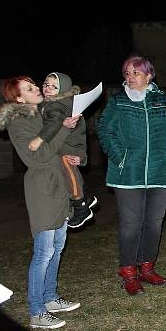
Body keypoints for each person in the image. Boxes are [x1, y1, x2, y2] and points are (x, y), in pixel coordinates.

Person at [0, 76, 82, 328]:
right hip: (42, 190)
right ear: (19, 98)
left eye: (34, 84)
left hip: (58, 186)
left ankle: (50, 297)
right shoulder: (19, 123)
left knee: (57, 246)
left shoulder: (41, 115)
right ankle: (36, 311)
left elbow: (57, 146)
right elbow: (39, 155)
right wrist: (63, 127)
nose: (37, 89)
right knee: (43, 252)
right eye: (30, 88)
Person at [98, 56, 166, 294]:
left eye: (136, 72)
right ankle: (128, 272)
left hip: (160, 172)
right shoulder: (118, 101)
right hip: (127, 175)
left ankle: (147, 267)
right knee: (130, 225)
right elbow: (105, 130)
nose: (130, 77)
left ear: (149, 75)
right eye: (127, 73)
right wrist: (121, 157)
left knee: (154, 224)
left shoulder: (165, 101)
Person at [28, 72, 97, 229]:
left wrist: (39, 139)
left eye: (54, 86)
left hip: (67, 147)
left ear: (63, 89)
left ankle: (81, 206)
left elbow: (53, 124)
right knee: (66, 172)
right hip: (65, 145)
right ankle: (86, 196)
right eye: (46, 84)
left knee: (67, 168)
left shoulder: (58, 105)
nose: (48, 88)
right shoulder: (52, 103)